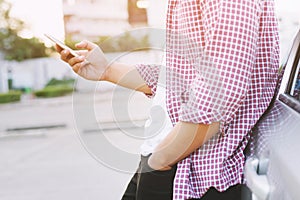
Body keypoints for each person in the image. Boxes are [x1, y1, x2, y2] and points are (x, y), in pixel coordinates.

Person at [57, 0, 280, 199]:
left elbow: (219, 90)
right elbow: (179, 80)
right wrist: (107, 70)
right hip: (169, 157)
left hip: (190, 170)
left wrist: (161, 160)